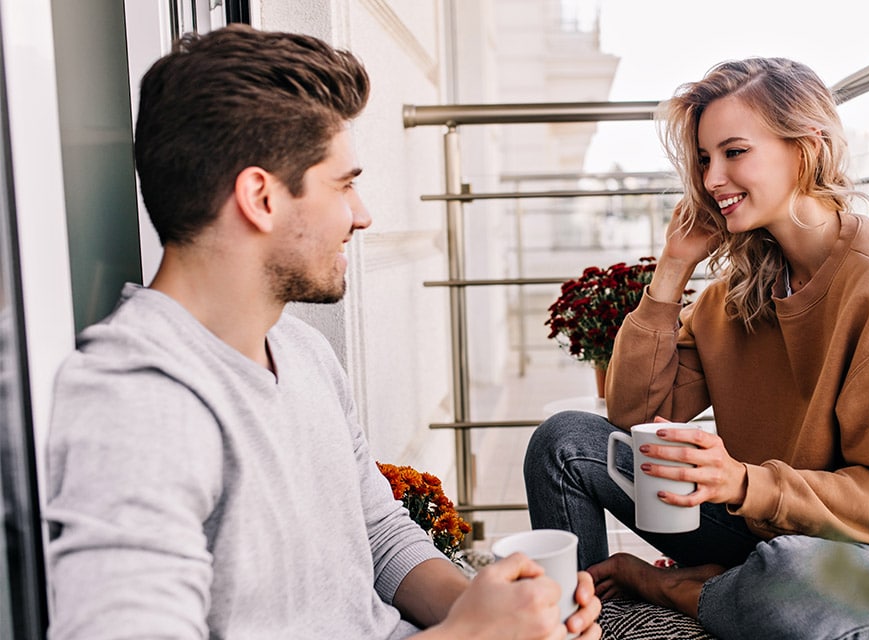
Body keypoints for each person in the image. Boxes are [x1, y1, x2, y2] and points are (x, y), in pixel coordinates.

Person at [44, 24, 601, 640]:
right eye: (343, 184)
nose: (362, 215)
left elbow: (379, 536)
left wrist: (500, 616)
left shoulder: (302, 351)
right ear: (261, 197)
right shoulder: (138, 403)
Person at [524, 57, 869, 638]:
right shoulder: (742, 291)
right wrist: (672, 269)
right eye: (706, 159)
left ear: (806, 148)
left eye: (735, 153)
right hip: (765, 525)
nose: (713, 180)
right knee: (562, 443)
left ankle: (676, 586)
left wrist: (742, 482)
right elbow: (633, 415)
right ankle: (580, 624)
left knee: (785, 579)